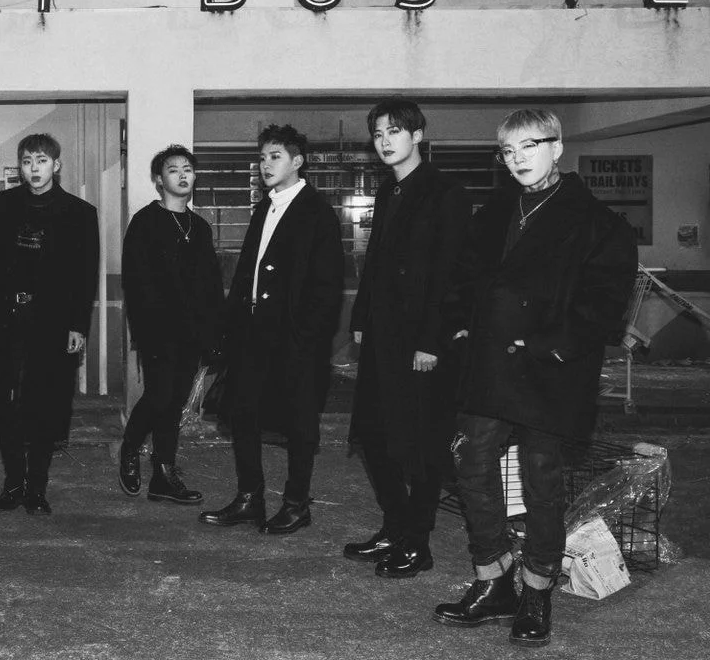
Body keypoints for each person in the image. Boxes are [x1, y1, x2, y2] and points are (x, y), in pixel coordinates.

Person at [433, 109, 636, 647]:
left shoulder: (598, 222)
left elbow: (605, 304)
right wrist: (458, 324)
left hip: (549, 370)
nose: (518, 158)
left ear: (557, 147)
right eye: (508, 150)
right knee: (470, 462)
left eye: (530, 145)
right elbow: (463, 276)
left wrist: (544, 344)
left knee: (541, 480)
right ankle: (493, 578)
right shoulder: (495, 211)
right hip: (489, 365)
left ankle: (537, 591)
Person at [345, 99, 471, 578]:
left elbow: (453, 271)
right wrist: (361, 317)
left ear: (417, 135)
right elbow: (376, 262)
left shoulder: (445, 192)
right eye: (378, 133)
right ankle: (395, 525)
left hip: (422, 340)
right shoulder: (387, 192)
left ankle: (418, 542)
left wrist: (432, 341)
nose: (384, 141)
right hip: (383, 335)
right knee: (373, 435)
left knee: (421, 445)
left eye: (394, 131)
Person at [199, 125, 343, 535]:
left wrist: (306, 338)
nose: (265, 164)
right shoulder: (265, 207)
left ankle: (297, 505)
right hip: (252, 334)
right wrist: (228, 330)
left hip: (294, 338)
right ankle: (250, 498)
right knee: (243, 414)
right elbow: (247, 273)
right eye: (262, 158)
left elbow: (327, 286)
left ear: (298, 161)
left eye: (275, 156)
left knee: (299, 422)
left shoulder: (317, 212)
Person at [0, 133, 99, 515]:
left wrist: (78, 326)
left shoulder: (79, 212)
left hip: (52, 324)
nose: (34, 168)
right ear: (20, 167)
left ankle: (37, 488)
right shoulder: (2, 205)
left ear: (56, 165)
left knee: (46, 405)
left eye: (41, 161)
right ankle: (13, 484)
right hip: (5, 321)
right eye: (27, 161)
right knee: (6, 405)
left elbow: (85, 274)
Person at [118, 145, 224, 504]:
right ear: (159, 180)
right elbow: (134, 283)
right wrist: (144, 331)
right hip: (158, 332)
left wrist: (214, 334)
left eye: (187, 169)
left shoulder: (200, 227)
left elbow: (211, 285)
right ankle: (130, 447)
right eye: (173, 169)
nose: (182, 175)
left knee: (175, 402)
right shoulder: (145, 222)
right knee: (159, 396)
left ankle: (163, 475)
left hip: (192, 334)